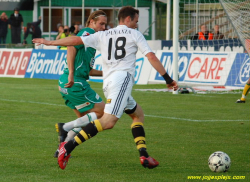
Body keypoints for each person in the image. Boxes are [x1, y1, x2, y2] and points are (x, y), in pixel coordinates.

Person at [33, 6, 178, 170]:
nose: (137, 25)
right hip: (120, 81)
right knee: (107, 121)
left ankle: (144, 155)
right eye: (136, 21)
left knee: (138, 114)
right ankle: (67, 147)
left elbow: (74, 41)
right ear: (128, 19)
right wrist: (168, 78)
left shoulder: (103, 35)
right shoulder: (133, 34)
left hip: (109, 83)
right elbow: (151, 56)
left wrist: (50, 42)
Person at [53, 10, 107, 157]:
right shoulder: (88, 32)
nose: (103, 27)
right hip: (75, 82)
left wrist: (108, 72)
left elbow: (88, 71)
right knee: (103, 113)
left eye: (105, 25)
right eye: (101, 24)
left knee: (83, 121)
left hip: (66, 83)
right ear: (91, 22)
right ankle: (64, 127)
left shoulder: (91, 43)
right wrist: (71, 73)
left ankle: (61, 150)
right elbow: (71, 45)